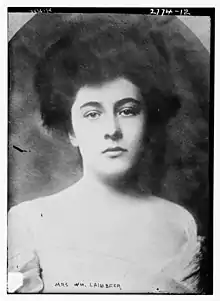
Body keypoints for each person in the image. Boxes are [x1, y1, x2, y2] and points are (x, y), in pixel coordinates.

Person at [8, 13, 207, 293]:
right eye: (92, 114)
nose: (112, 130)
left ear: (148, 120)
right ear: (70, 130)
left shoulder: (180, 223)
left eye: (127, 111)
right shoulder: (25, 222)